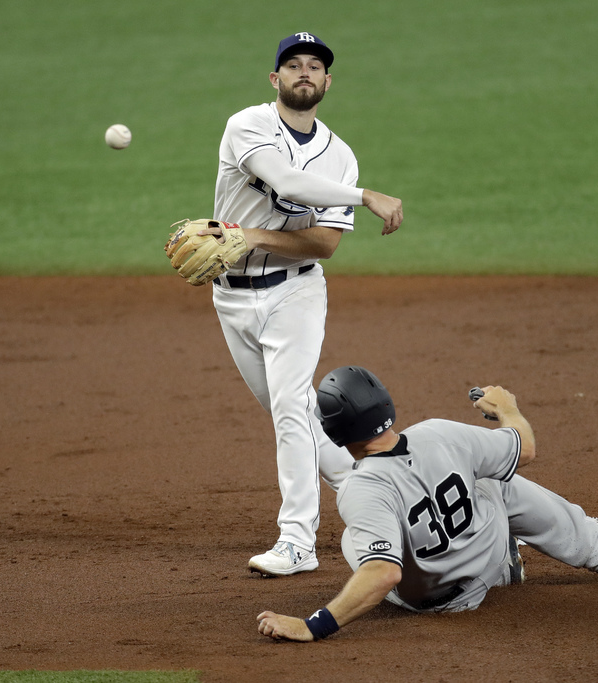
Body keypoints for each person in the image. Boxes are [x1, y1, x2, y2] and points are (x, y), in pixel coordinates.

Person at [199, 33, 404, 577]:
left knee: (291, 406)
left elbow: (324, 244)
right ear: (276, 79)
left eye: (315, 66)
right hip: (230, 297)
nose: (305, 72)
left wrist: (250, 236)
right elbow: (287, 181)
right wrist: (366, 196)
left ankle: (297, 542)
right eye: (293, 65)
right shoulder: (248, 125)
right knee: (299, 418)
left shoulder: (340, 157)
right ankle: (387, 497)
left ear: (328, 81)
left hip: (296, 292)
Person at [256, 366, 598, 641]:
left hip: (435, 601)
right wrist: (507, 409)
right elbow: (525, 448)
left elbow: (383, 572)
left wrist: (314, 624)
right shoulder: (439, 433)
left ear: (334, 433)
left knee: (357, 540)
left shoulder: (360, 489)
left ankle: (507, 569)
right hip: (486, 555)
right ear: (385, 404)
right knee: (492, 479)